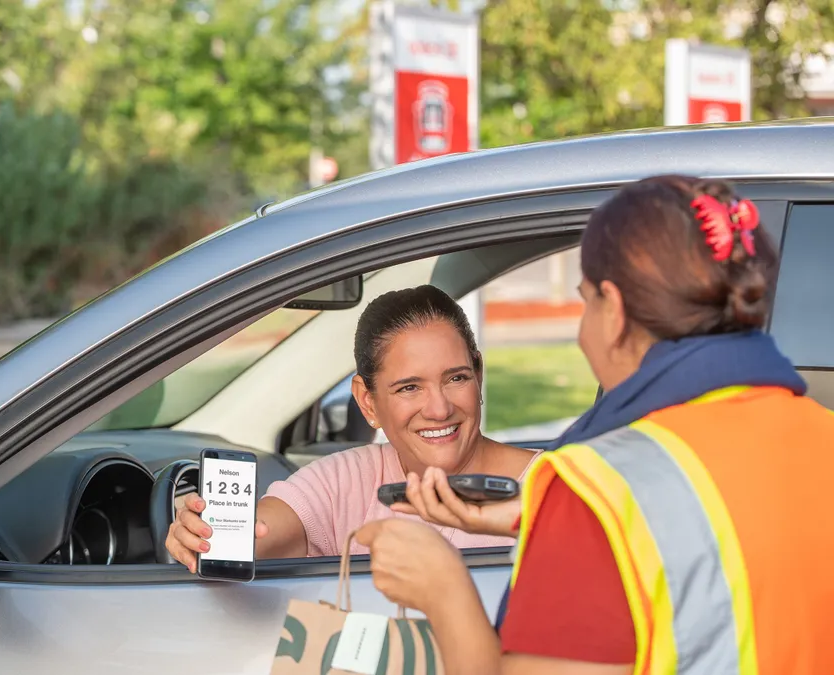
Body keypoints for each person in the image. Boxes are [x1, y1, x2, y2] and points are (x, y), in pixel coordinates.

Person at [355, 175, 834, 674]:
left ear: (615, 310)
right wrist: (546, 519)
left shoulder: (599, 491)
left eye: (586, 302)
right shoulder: (823, 436)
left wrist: (446, 588)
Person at [165, 285, 539, 572]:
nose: (439, 409)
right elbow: (262, 533)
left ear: (479, 374)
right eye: (409, 387)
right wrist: (205, 535)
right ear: (367, 402)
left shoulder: (559, 485)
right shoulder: (347, 479)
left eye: (456, 378)